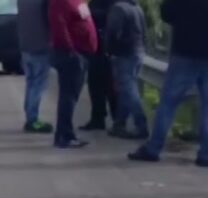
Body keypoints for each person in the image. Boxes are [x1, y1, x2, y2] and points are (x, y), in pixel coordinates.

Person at [127, 0, 208, 167]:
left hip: (185, 47)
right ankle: (206, 153)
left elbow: (167, 12)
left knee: (169, 101)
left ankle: (154, 147)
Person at [49, 0, 98, 148]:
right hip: (71, 55)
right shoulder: (60, 2)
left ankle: (65, 134)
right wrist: (71, 51)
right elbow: (60, 27)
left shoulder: (78, 1)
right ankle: (65, 136)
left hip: (83, 53)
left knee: (71, 96)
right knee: (68, 97)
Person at [105, 0, 147, 139]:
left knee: (129, 91)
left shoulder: (118, 8)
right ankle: (119, 124)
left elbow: (112, 32)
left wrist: (109, 51)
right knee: (126, 90)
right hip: (138, 52)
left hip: (124, 54)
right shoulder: (137, 7)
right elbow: (144, 31)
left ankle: (141, 125)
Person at [17, 0, 54, 133]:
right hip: (40, 47)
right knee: (38, 85)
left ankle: (30, 117)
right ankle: (32, 120)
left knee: (31, 84)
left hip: (26, 46)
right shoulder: (44, 2)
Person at [81, 0, 117, 131]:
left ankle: (117, 120)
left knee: (110, 86)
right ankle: (98, 118)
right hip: (95, 48)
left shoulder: (113, 4)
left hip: (108, 49)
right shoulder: (94, 3)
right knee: (95, 84)